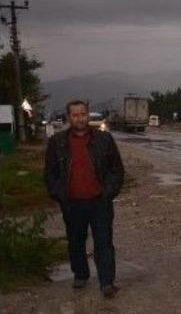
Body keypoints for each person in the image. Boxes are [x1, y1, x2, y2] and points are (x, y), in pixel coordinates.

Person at [44, 100, 125, 297]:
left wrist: (108, 192)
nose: (80, 118)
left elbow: (117, 170)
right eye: (75, 115)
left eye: (83, 114)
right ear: (69, 117)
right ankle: (80, 274)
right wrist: (59, 194)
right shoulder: (58, 142)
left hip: (99, 202)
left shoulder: (104, 139)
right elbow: (50, 174)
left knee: (104, 242)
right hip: (72, 203)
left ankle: (107, 282)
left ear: (88, 115)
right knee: (76, 241)